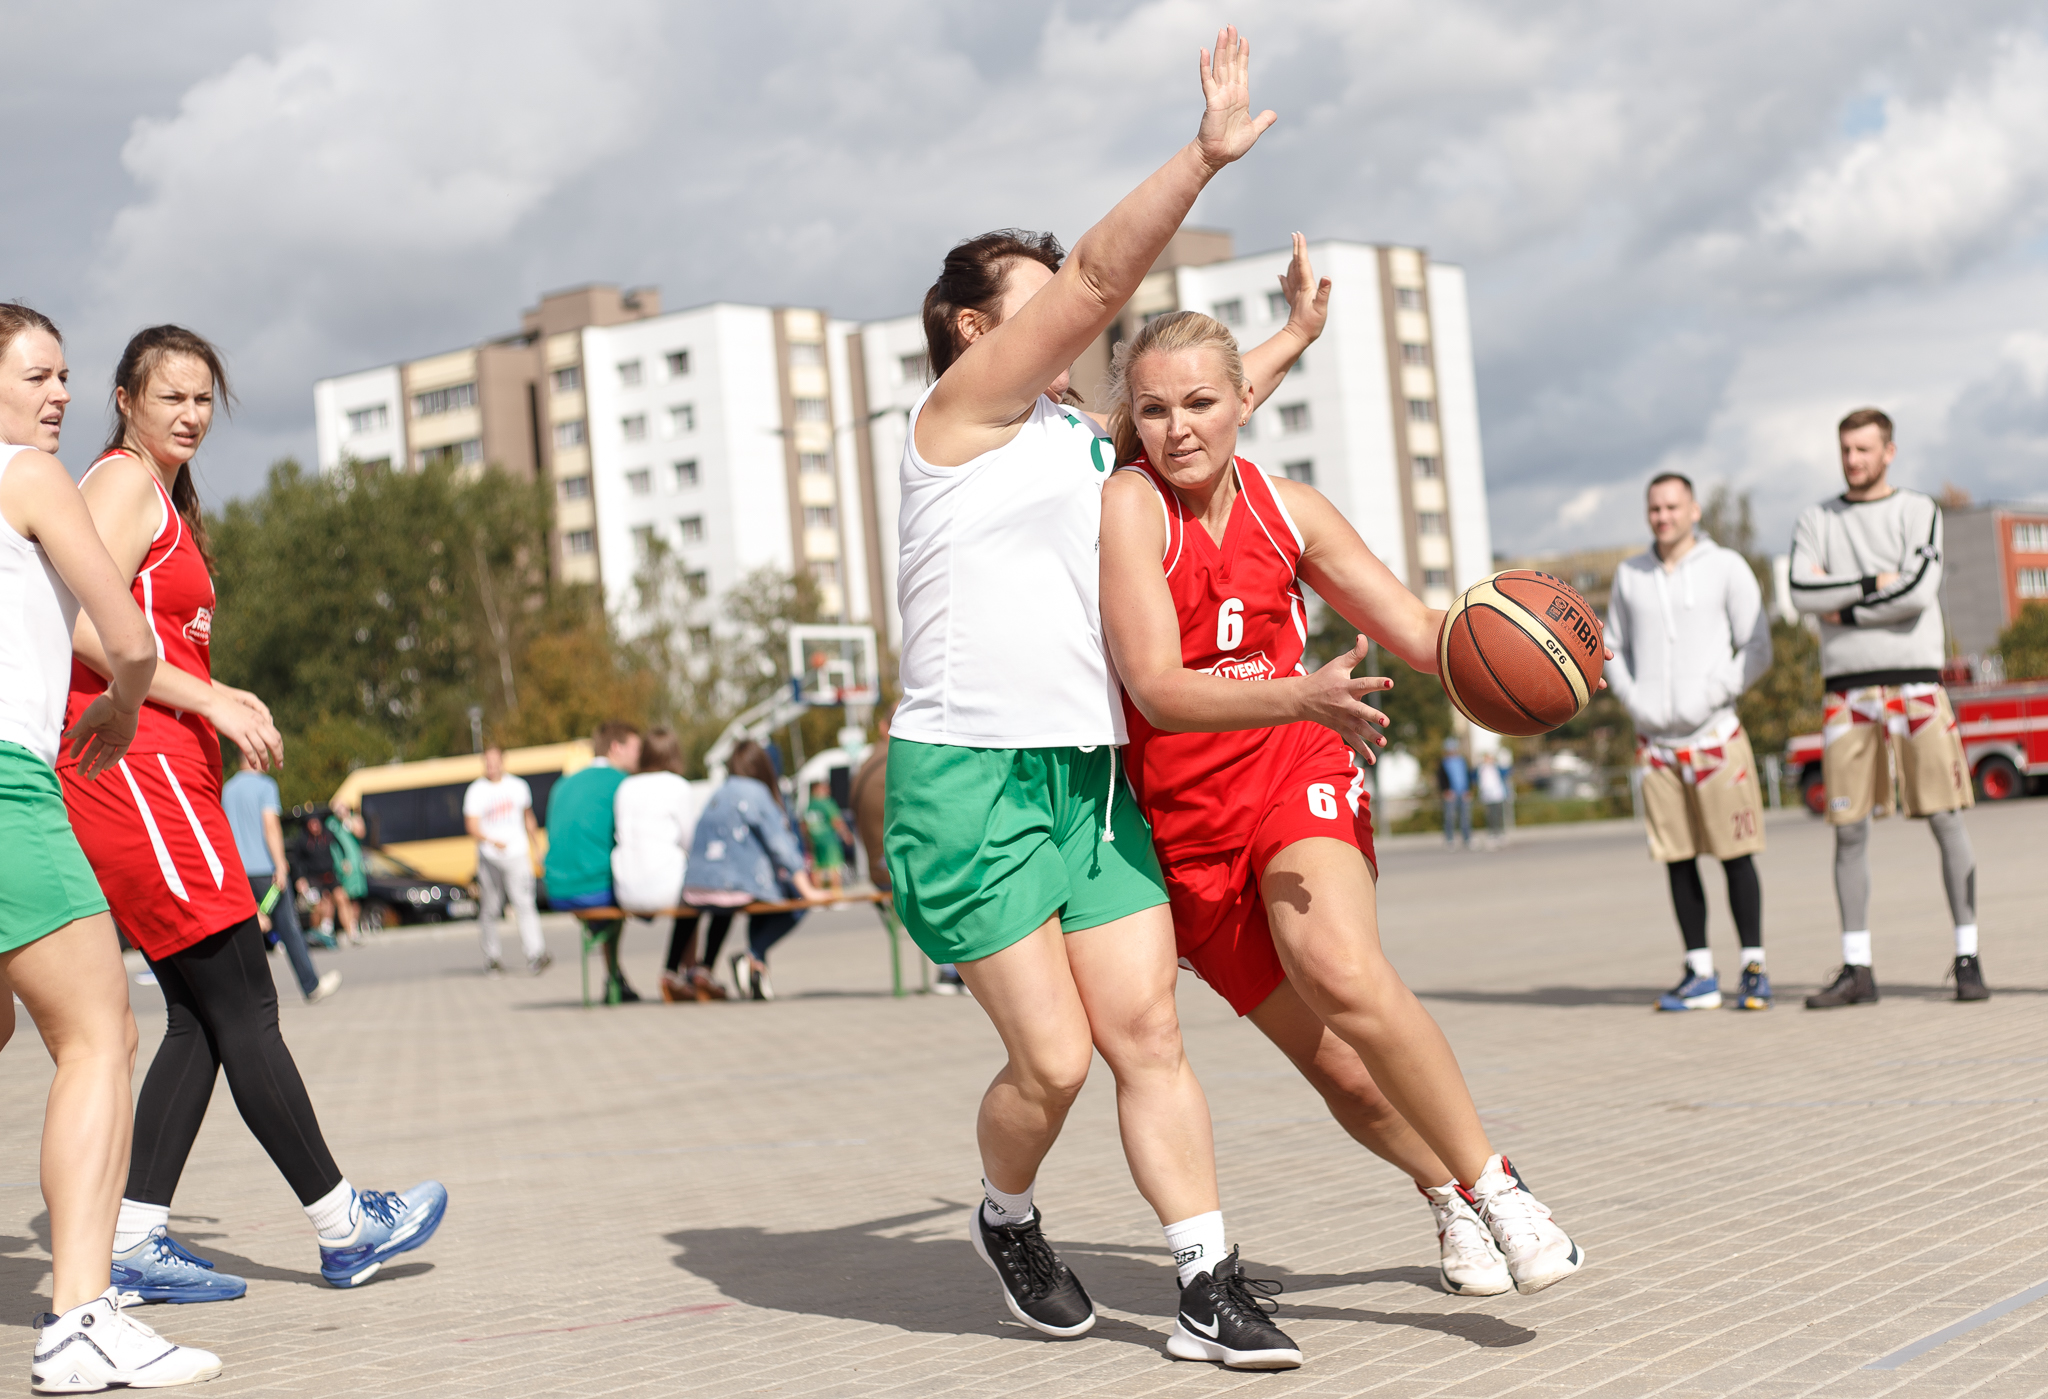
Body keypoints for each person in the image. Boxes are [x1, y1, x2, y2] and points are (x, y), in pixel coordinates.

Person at [884, 30, 1309, 1369]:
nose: (1071, 307)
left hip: (1085, 776)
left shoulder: (1080, 439)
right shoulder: (958, 417)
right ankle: (1006, 1215)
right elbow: (1102, 276)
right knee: (1054, 1061)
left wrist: (1287, 342)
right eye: (1041, 291)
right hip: (966, 779)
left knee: (1148, 1031)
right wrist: (1200, 156)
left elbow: (1192, 430)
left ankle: (1206, 1279)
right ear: (971, 324)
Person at [1098, 307, 1588, 1304]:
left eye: (1198, 401)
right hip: (1189, 830)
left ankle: (1499, 1187)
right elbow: (1153, 687)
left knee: (1339, 967)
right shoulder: (1128, 506)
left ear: (1244, 403)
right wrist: (1298, 688)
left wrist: (1542, 647)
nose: (1177, 426)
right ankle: (1445, 1193)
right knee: (1344, 1072)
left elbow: (1416, 628)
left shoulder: (1293, 511)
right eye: (1152, 408)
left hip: (1293, 763)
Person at [60, 323, 446, 1302]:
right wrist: (211, 699)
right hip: (136, 773)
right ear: (124, 399)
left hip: (167, 778)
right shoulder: (119, 483)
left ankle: (139, 1237)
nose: (189, 414)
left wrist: (208, 707)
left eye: (202, 399)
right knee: (245, 1000)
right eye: (170, 396)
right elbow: (88, 632)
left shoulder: (163, 494)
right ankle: (341, 1222)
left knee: (199, 1013)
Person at [0, 303, 220, 1390]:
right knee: (102, 1040)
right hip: (8, 786)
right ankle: (79, 1315)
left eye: (65, 376)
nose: (58, 397)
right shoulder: (28, 477)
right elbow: (125, 635)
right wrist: (130, 703)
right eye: (38, 376)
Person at [1790, 407, 1985, 1007]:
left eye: (1865, 449)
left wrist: (1843, 605)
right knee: (1848, 830)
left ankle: (1968, 956)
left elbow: (1919, 591)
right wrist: (1878, 582)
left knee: (1946, 818)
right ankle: (1857, 969)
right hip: (1847, 692)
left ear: (1889, 452)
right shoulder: (1816, 518)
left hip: (1917, 687)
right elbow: (1800, 591)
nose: (1853, 460)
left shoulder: (1918, 510)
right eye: (1846, 449)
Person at [1607, 472, 1774, 1012]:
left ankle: (1754, 966)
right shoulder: (1630, 575)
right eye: (1654, 508)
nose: (1663, 517)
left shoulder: (1727, 566)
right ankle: (1699, 972)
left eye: (1673, 506)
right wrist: (1637, 704)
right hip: (1657, 743)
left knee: (1736, 854)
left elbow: (1757, 646)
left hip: (1716, 735)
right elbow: (1612, 650)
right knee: (1677, 859)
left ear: (1695, 510)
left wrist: (1712, 693)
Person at [684, 741, 820, 1001]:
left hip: (697, 886)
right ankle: (753, 955)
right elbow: (780, 845)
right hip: (734, 884)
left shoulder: (718, 791)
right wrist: (808, 889)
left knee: (750, 904)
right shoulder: (757, 792)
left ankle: (751, 969)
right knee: (796, 902)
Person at [221, 755, 341, 1003]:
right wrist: (280, 864)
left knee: (246, 933)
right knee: (288, 927)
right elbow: (271, 827)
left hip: (239, 872)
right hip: (266, 870)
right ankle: (311, 985)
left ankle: (243, 997)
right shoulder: (265, 786)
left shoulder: (227, 789)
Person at [544, 720, 641, 1002]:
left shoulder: (563, 784)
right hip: (594, 888)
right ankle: (683, 974)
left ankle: (615, 977)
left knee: (606, 912)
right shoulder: (622, 783)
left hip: (556, 889)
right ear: (616, 748)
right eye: (637, 748)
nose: (641, 755)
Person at [609, 728, 704, 1001]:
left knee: (686, 891)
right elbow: (690, 841)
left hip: (625, 888)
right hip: (665, 887)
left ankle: (679, 973)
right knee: (695, 893)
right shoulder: (678, 786)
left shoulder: (625, 786)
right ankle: (679, 970)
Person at [463, 743, 550, 975]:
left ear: (503, 761)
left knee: (524, 903)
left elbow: (528, 818)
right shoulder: (476, 790)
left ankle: (536, 953)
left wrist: (537, 847)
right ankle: (492, 956)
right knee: (491, 907)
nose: (491, 766)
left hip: (517, 853)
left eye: (495, 761)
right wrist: (491, 840)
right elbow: (471, 825)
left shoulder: (518, 786)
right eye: (487, 762)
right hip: (490, 856)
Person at [325, 799, 367, 943]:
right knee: (343, 898)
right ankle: (347, 929)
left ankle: (354, 926)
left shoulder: (352, 820)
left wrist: (347, 820)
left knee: (355, 898)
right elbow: (330, 845)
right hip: (342, 867)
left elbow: (361, 833)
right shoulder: (331, 824)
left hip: (356, 865)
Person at [802, 780, 851, 894]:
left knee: (817, 868)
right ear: (817, 789)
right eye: (825, 788)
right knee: (834, 867)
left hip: (815, 841)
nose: (828, 791)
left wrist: (808, 841)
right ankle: (836, 895)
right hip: (829, 841)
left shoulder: (810, 805)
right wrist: (846, 834)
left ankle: (819, 896)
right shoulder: (827, 803)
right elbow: (836, 820)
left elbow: (804, 826)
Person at [1436, 737, 1471, 848]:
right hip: (1451, 794)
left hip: (1463, 792)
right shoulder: (1444, 762)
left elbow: (1467, 776)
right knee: (1449, 817)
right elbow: (1441, 778)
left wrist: (1468, 790)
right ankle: (1449, 839)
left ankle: (1467, 838)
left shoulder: (1462, 761)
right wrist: (1445, 791)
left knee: (1465, 817)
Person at [1476, 747, 1508, 849]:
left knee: (1498, 815)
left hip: (1497, 795)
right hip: (1488, 796)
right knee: (1491, 816)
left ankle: (1499, 834)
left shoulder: (1496, 767)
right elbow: (1481, 782)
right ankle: (1492, 834)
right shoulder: (1482, 769)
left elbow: (1505, 773)